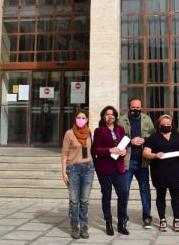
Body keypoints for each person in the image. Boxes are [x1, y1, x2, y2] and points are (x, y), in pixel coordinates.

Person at [143, 114, 179, 232]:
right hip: (159, 171)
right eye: (164, 124)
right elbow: (145, 153)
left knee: (175, 196)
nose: (166, 126)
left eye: (168, 124)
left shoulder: (177, 136)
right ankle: (162, 219)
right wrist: (155, 155)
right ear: (159, 125)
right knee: (161, 195)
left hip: (175, 171)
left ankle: (176, 219)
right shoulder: (153, 137)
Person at [92, 106, 130, 236]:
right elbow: (95, 150)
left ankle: (121, 223)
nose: (110, 116)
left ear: (115, 116)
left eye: (112, 114)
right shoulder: (99, 131)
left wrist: (125, 151)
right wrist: (109, 150)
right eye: (107, 114)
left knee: (123, 193)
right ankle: (108, 223)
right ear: (103, 116)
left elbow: (125, 145)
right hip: (105, 168)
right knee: (107, 195)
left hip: (119, 167)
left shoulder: (120, 129)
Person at [118, 98, 155, 229]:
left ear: (141, 108)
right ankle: (123, 217)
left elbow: (153, 135)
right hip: (127, 161)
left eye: (138, 107)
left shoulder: (146, 119)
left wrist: (144, 140)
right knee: (124, 190)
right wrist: (130, 142)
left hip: (142, 162)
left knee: (145, 190)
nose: (135, 110)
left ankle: (147, 217)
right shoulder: (121, 120)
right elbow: (117, 139)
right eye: (133, 107)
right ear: (129, 107)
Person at [61, 110, 94, 239]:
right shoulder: (69, 134)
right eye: (79, 117)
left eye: (83, 117)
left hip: (88, 169)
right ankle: (75, 225)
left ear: (87, 120)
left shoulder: (89, 133)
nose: (81, 119)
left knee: (84, 200)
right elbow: (64, 154)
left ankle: (84, 226)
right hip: (73, 169)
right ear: (75, 119)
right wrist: (63, 172)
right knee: (74, 200)